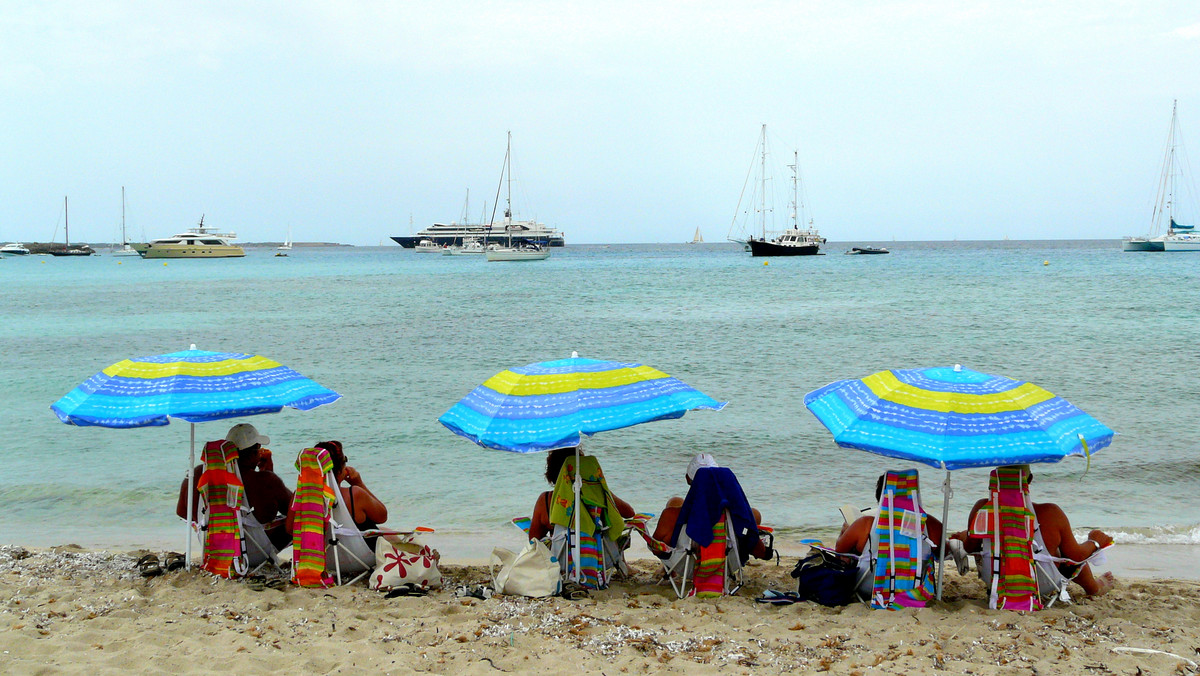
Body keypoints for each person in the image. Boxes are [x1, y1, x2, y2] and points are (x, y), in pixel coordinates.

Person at [953, 465, 1115, 597]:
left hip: (996, 579)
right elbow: (1076, 556)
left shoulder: (981, 509)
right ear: (1029, 480)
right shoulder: (1051, 513)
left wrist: (966, 536)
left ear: (995, 481)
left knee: (987, 542)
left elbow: (970, 548)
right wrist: (1094, 542)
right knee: (1062, 553)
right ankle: (1094, 587)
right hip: (1040, 583)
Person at [176, 422, 293, 550]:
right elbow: (294, 509)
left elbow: (182, 512)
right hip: (251, 552)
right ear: (254, 453)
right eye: (258, 449)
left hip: (213, 550)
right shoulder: (266, 480)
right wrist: (268, 473)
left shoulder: (197, 474)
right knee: (301, 516)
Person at [652, 453, 773, 561]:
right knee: (754, 514)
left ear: (688, 479)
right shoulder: (739, 516)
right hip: (728, 562)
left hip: (683, 564)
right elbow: (759, 550)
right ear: (720, 478)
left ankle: (669, 571)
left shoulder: (671, 515)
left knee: (675, 502)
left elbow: (657, 549)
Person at [528, 446, 635, 541]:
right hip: (600, 557)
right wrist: (602, 490)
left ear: (553, 472)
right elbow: (629, 513)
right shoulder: (599, 496)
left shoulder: (546, 500)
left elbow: (534, 540)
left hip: (562, 559)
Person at [835, 472, 945, 559]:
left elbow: (839, 551)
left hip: (871, 585)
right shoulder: (928, 524)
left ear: (880, 497)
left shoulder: (865, 524)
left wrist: (844, 531)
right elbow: (943, 553)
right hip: (914, 585)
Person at [313, 440, 389, 550]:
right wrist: (358, 483)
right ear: (339, 470)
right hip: (362, 559)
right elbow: (382, 516)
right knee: (388, 533)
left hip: (323, 560)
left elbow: (290, 529)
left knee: (385, 531)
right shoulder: (354, 494)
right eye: (345, 460)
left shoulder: (301, 496)